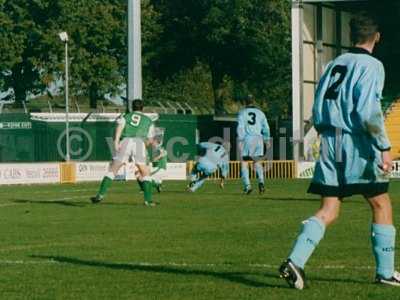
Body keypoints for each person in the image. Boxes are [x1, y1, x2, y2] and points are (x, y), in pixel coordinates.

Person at [279, 13, 399, 289]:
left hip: (330, 141)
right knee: (381, 202)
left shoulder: (334, 64)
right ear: (377, 37)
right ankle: (385, 272)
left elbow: (317, 107)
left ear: (351, 36)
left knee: (329, 208)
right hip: (355, 142)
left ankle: (295, 262)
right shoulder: (372, 65)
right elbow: (367, 111)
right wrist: (383, 147)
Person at [90, 99, 157, 207]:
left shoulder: (126, 116)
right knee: (145, 172)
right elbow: (149, 139)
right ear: (142, 108)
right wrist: (145, 145)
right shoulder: (149, 121)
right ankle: (148, 200)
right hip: (139, 142)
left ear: (132, 107)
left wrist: (116, 141)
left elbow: (119, 127)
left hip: (125, 141)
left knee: (113, 169)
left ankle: (100, 195)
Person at [237, 95, 270, 194]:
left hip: (248, 139)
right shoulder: (260, 113)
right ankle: (261, 182)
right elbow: (266, 128)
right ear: (253, 101)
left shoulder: (242, 113)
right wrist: (267, 140)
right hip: (259, 140)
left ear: (245, 102)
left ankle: (247, 186)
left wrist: (241, 140)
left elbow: (240, 128)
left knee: (244, 163)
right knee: (257, 163)